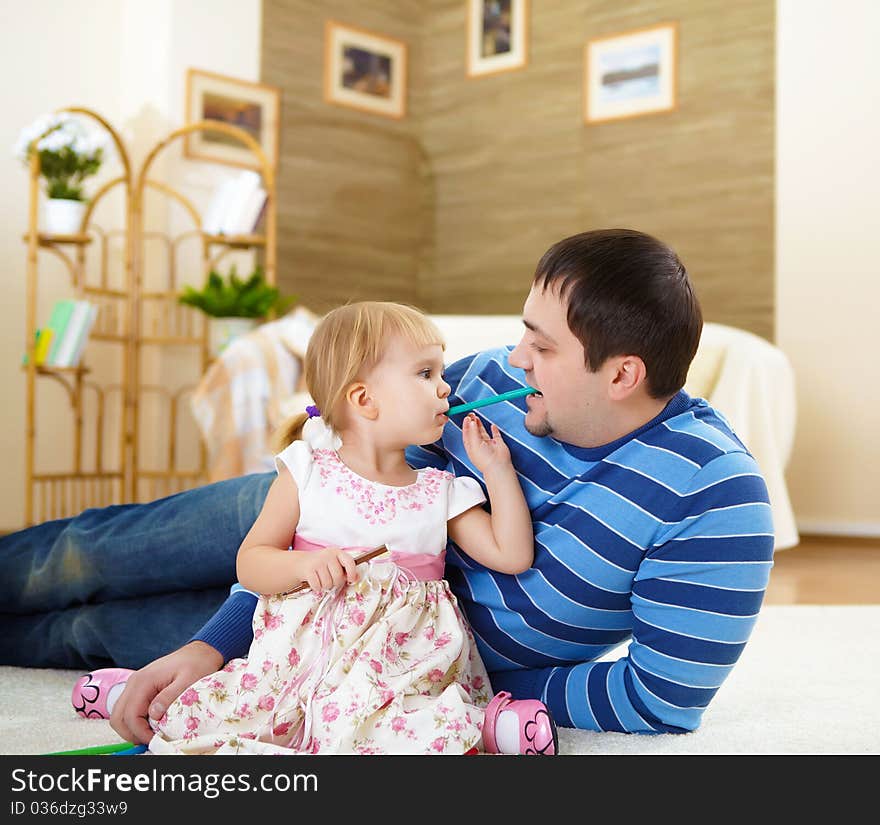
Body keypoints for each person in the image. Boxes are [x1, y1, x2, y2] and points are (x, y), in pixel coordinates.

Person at [0, 228, 775, 746]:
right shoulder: (495, 383)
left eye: (541, 344)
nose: (514, 355)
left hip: (358, 656)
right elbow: (333, 495)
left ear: (622, 374)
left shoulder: (711, 500)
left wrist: (464, 688)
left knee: (87, 635)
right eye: (522, 330)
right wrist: (217, 640)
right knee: (81, 556)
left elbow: (661, 698)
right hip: (298, 532)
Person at [145, 300, 553, 755]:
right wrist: (306, 564)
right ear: (363, 399)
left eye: (440, 373)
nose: (445, 389)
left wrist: (498, 472)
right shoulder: (306, 472)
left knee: (397, 731)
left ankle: (489, 725)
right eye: (425, 374)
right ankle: (135, 693)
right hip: (296, 664)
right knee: (219, 712)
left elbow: (512, 554)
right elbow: (251, 563)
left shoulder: (440, 491)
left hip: (394, 673)